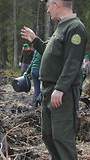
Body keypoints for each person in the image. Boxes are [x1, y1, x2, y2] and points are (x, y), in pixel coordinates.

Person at [21, 0, 87, 159]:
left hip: (61, 92)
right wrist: (35, 40)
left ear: (57, 3)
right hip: (48, 90)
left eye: (48, 6)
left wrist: (60, 88)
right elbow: (51, 53)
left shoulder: (75, 27)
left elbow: (73, 62)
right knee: (48, 135)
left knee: (62, 137)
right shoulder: (61, 27)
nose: (47, 11)